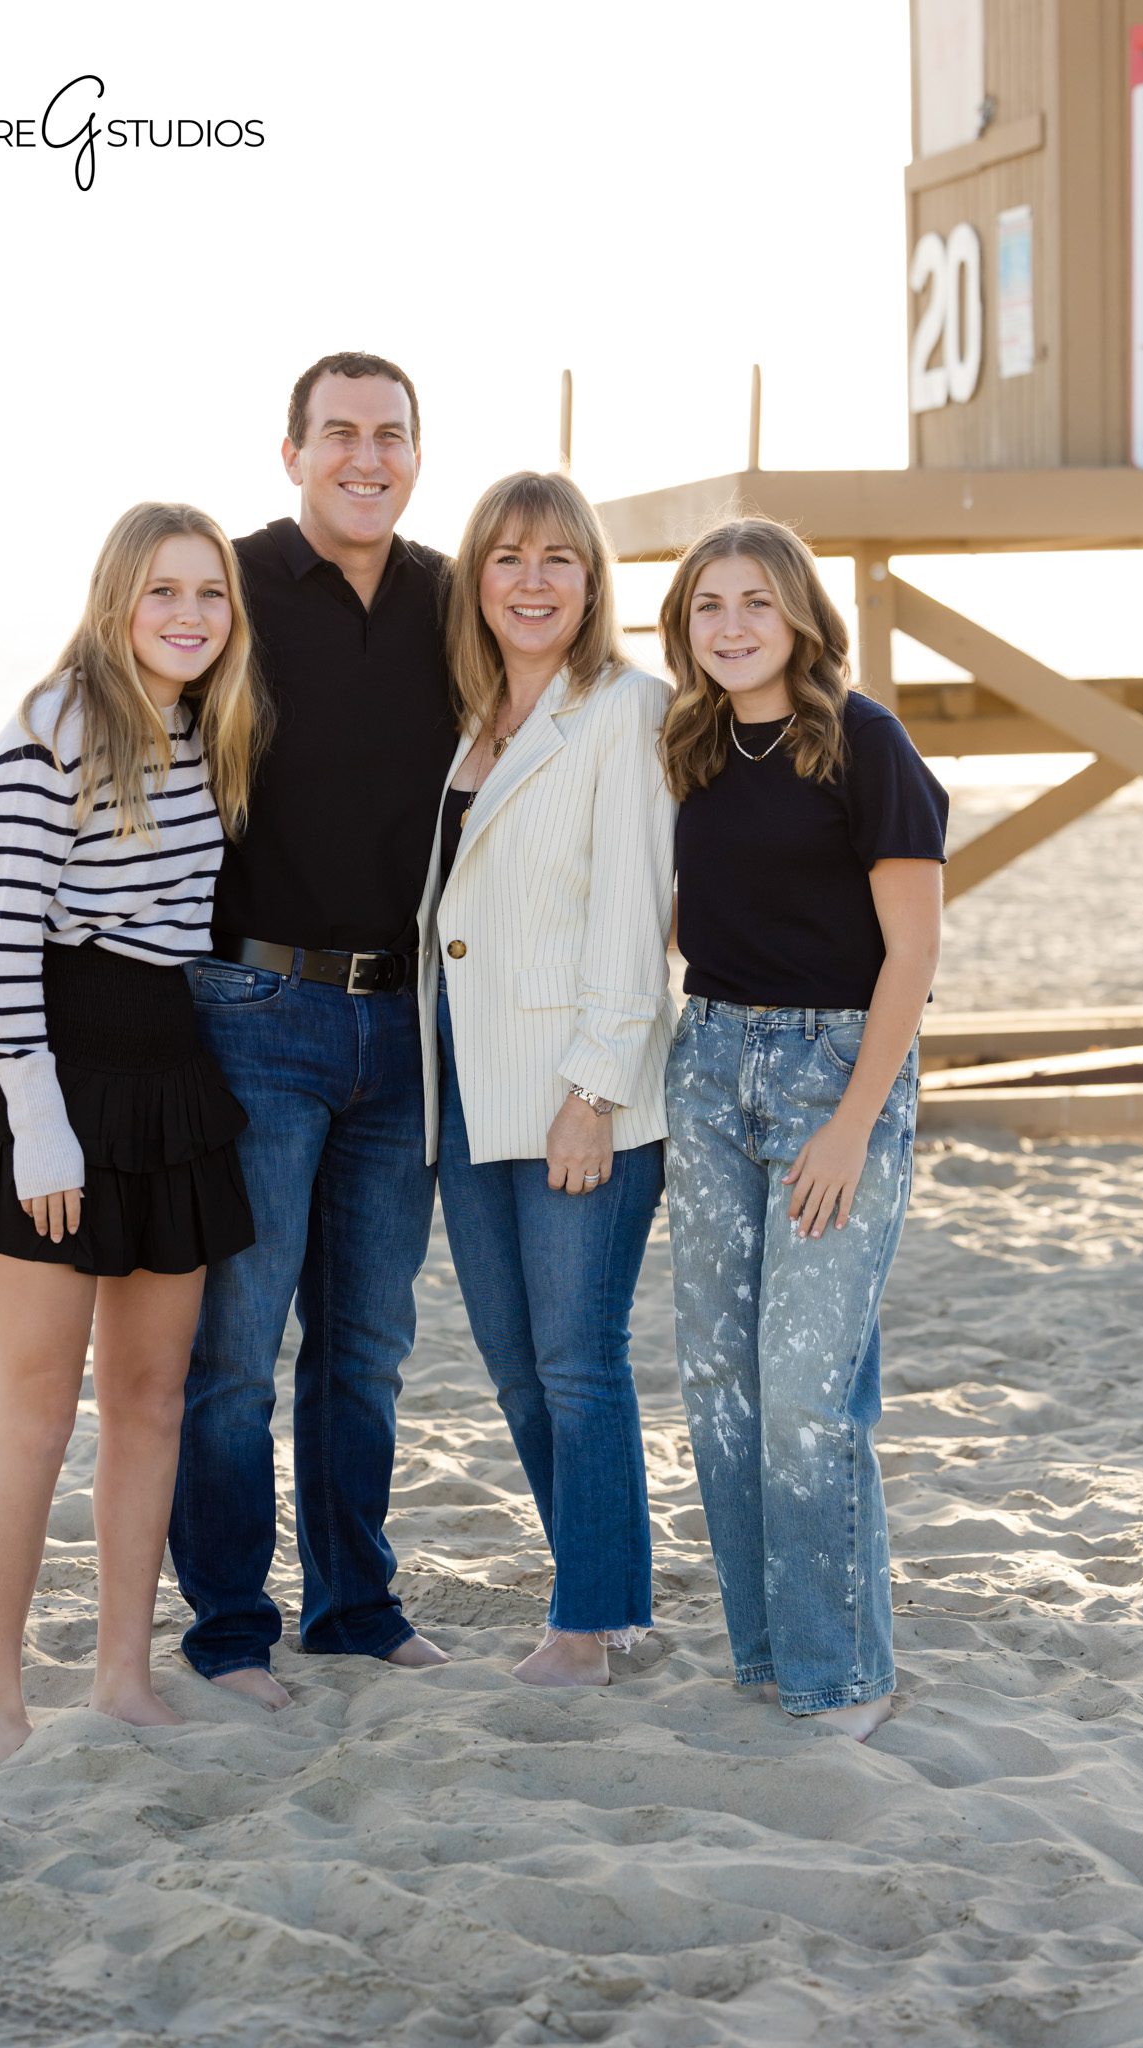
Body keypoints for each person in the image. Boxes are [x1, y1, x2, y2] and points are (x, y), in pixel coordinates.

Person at [0, 502, 264, 1766]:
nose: (188, 614)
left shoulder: (202, 729)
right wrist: (40, 1124)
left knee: (153, 1396)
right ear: (116, 601)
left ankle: (122, 1668)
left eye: (210, 593)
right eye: (163, 590)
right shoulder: (43, 733)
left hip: (171, 1060)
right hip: (52, 1065)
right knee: (38, 1404)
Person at [168, 353, 457, 1702]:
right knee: (235, 1348)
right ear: (292, 452)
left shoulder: (452, 601)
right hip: (254, 1013)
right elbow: (115, 709)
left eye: (389, 434)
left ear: (414, 453)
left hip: (405, 1028)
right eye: (338, 432)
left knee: (366, 1347)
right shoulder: (225, 583)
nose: (365, 454)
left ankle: (353, 1606)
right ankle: (230, 1629)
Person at [659, 516, 947, 1740]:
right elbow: (685, 920)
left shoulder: (864, 740)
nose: (731, 626)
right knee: (721, 1379)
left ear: (801, 618)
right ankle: (770, 1651)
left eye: (756, 604)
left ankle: (845, 1672)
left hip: (837, 1067)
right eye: (709, 605)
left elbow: (916, 950)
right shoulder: (691, 742)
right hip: (709, 1060)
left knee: (806, 1384)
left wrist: (852, 1122)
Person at [414, 471, 676, 1688]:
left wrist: (595, 1088)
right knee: (518, 1367)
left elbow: (634, 913)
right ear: (477, 578)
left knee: (580, 1359)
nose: (531, 581)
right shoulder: (465, 721)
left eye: (557, 560)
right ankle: (609, 1590)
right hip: (468, 1085)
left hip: (580, 1089)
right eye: (507, 557)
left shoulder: (624, 708)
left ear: (591, 581)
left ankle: (585, 1624)